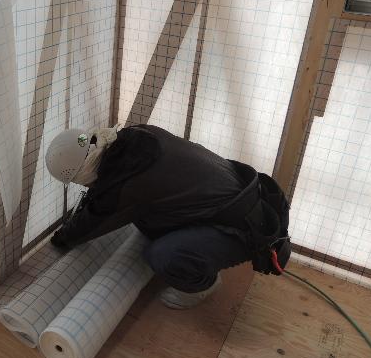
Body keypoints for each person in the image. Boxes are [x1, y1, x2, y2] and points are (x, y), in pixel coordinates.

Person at [44, 124, 291, 309]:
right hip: (246, 198)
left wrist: (61, 239)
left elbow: (89, 225)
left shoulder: (126, 184)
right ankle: (199, 250)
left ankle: (202, 284)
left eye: (78, 181)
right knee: (148, 219)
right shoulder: (134, 135)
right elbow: (105, 196)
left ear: (82, 174)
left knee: (160, 254)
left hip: (245, 229)